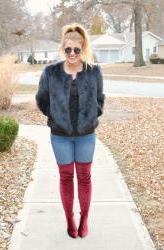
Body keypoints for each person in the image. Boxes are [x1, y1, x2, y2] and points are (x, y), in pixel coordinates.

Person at [35, 23, 105, 238]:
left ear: (82, 48)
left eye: (76, 49)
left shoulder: (94, 71)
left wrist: (92, 115)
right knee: (66, 177)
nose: (72, 53)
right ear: (62, 49)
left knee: (84, 177)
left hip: (86, 136)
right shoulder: (51, 72)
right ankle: (69, 218)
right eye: (68, 49)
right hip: (60, 137)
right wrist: (55, 117)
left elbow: (100, 99)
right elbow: (41, 99)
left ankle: (84, 218)